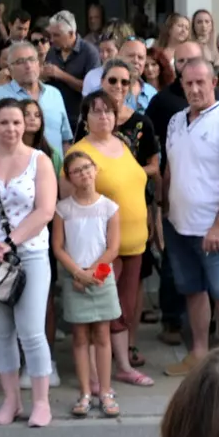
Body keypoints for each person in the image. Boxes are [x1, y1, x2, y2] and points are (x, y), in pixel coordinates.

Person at [0, 100, 59, 428]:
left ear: (26, 124)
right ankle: (11, 400)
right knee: (0, 332)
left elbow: (45, 211)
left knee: (32, 331)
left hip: (29, 254)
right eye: (4, 122)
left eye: (17, 122)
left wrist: (11, 242)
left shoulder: (40, 161)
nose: (11, 129)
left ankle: (41, 402)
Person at [161, 58, 219, 375]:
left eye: (201, 82)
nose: (195, 88)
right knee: (193, 291)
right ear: (181, 85)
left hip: (216, 230)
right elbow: (171, 169)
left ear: (214, 83)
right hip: (179, 225)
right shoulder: (175, 121)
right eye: (189, 83)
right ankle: (199, 353)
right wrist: (165, 210)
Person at [67, 92, 153, 386]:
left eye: (108, 111)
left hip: (134, 244)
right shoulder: (79, 153)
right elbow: (70, 204)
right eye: (96, 111)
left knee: (122, 309)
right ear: (85, 118)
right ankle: (92, 375)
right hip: (102, 250)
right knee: (97, 309)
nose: (103, 116)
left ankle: (123, 366)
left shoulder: (123, 145)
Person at [54, 150, 122, 417]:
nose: (83, 174)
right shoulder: (63, 209)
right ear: (69, 178)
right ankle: (84, 392)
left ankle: (105, 390)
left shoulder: (109, 207)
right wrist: (76, 274)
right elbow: (58, 247)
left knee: (103, 335)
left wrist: (93, 274)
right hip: (75, 278)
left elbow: (112, 248)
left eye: (86, 168)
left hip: (101, 278)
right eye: (76, 171)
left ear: (95, 169)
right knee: (80, 337)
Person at [0, 40, 71, 150]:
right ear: (9, 69)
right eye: (20, 62)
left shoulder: (54, 94)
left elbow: (66, 139)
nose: (28, 66)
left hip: (55, 165)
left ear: (39, 63)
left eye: (32, 60)